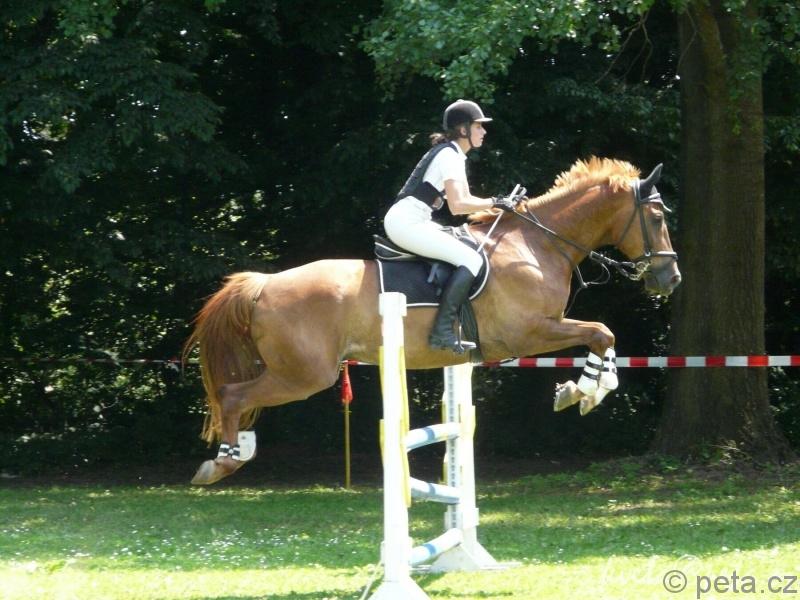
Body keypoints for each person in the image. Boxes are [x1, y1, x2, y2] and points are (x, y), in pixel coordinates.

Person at [384, 99, 516, 353]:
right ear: (463, 129)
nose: (484, 131)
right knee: (472, 259)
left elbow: (466, 200)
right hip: (406, 223)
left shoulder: (453, 154)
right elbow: (458, 206)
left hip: (414, 220)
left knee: (466, 248)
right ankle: (442, 332)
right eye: (478, 126)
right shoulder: (449, 156)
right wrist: (496, 202)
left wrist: (499, 203)